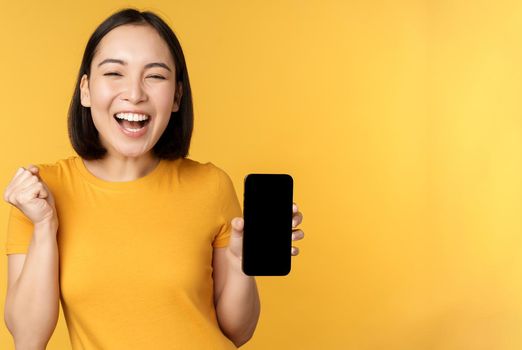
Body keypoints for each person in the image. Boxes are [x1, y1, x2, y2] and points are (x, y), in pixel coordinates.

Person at [2, 8, 304, 349]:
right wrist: (44, 227)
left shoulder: (212, 185)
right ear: (86, 90)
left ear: (176, 96)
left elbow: (238, 332)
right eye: (114, 72)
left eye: (155, 77)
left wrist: (239, 262)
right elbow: (28, 338)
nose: (135, 93)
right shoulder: (42, 194)